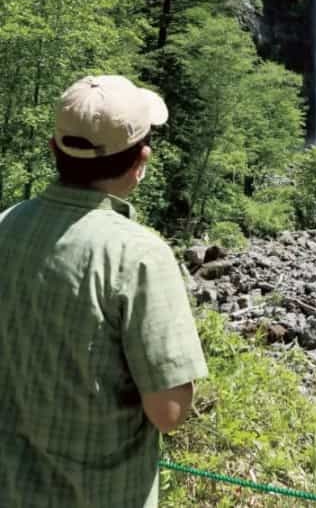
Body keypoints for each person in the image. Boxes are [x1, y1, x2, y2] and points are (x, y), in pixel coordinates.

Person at [0, 75, 207, 507]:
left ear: (55, 150)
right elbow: (168, 413)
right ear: (141, 161)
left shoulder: (7, 224)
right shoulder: (141, 255)